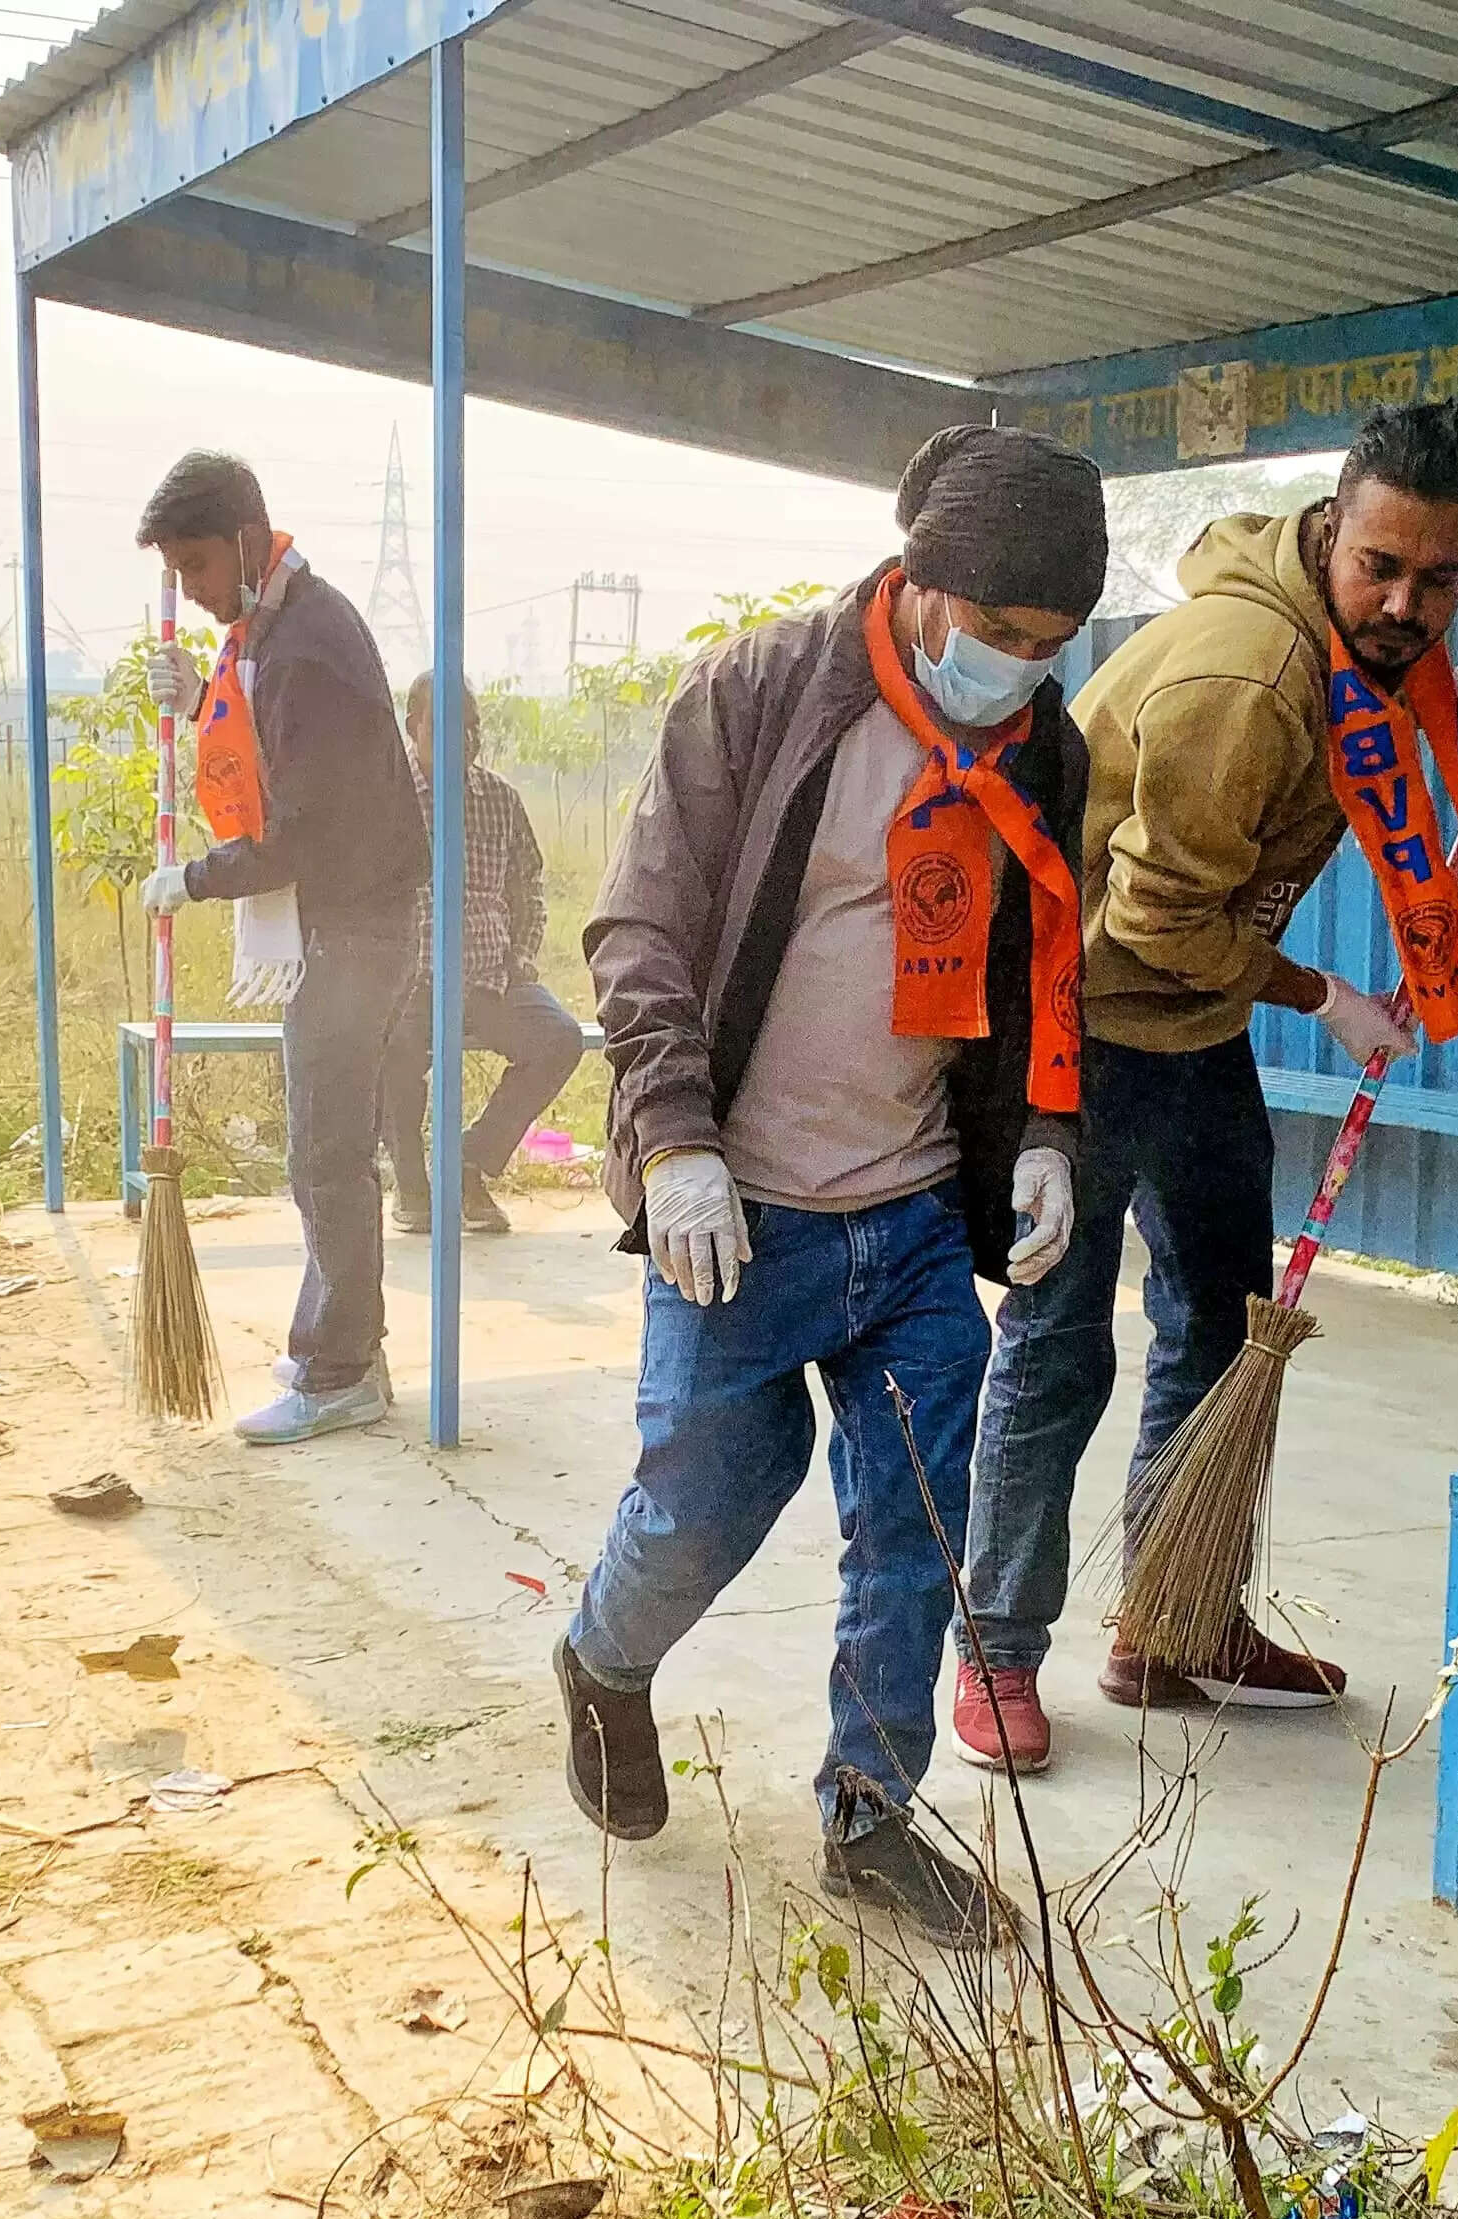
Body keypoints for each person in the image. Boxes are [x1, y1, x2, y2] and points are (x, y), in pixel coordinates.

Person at [951, 400, 1458, 1774]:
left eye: (1443, 580)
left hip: (1190, 1019)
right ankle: (993, 1650)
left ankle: (1176, 1623)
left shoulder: (1341, 637)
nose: (1408, 603)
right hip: (1080, 1018)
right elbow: (1155, 922)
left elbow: (1380, 689)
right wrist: (1324, 996)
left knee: (1226, 1330)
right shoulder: (1246, 675)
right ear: (1331, 527)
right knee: (1060, 1345)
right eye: (1384, 569)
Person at [554, 425, 1099, 1949]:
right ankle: (602, 1662)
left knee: (920, 1520)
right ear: (922, 590)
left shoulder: (1042, 750)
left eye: (1056, 648)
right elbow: (637, 934)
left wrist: (1047, 1136)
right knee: (706, 1504)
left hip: (915, 1211)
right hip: (739, 1211)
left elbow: (1046, 967)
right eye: (1003, 637)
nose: (1027, 671)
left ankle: (871, 1810)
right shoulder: (764, 694)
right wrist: (674, 1144)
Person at [135, 452, 428, 1445]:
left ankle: (339, 1368)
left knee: (328, 1150)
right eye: (176, 574)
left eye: (200, 567)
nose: (195, 591)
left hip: (357, 922)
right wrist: (192, 702)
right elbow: (257, 752)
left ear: (249, 542)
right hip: (336, 920)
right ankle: (343, 1346)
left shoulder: (307, 644)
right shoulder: (270, 630)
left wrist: (200, 877)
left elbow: (304, 827)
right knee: (327, 1144)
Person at [377, 674, 585, 1236]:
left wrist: (521, 953)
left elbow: (528, 883)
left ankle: (467, 1163)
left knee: (560, 1039)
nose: (460, 740)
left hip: (492, 976)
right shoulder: (386, 799)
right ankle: (412, 1181)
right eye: (443, 727)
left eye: (470, 729)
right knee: (389, 1049)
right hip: (412, 978)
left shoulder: (499, 799)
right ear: (412, 726)